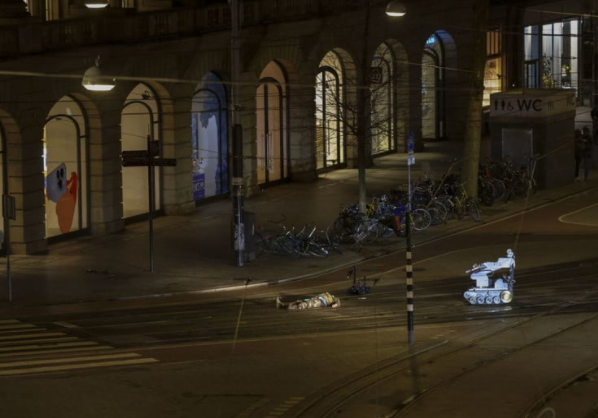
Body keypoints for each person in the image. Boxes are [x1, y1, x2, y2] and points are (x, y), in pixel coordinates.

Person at [276, 292, 341, 310]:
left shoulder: (334, 298)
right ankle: (282, 305)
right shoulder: (328, 294)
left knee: (306, 304)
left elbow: (338, 303)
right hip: (315, 299)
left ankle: (289, 307)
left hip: (319, 302)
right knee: (300, 301)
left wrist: (335, 305)